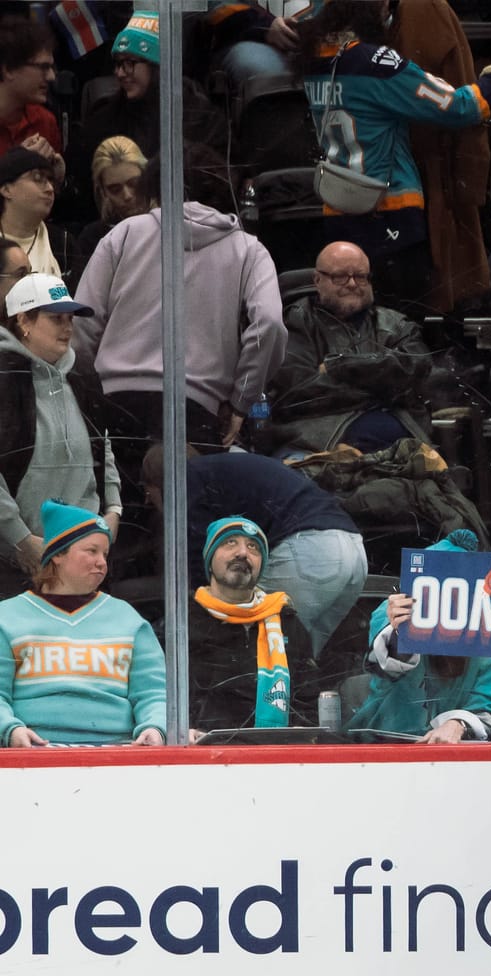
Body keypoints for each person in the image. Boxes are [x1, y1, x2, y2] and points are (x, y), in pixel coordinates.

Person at [293, 1, 491, 310]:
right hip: (391, 212)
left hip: (339, 210)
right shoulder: (376, 62)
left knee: (351, 318)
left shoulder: (315, 55)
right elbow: (458, 107)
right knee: (401, 326)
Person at [71, 146, 284, 450]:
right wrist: (241, 401)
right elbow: (270, 323)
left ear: (155, 186)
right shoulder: (249, 250)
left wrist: (91, 391)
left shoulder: (125, 233)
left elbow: (83, 322)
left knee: (117, 498)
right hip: (196, 407)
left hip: (115, 402)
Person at [147, 446, 368, 654]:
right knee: (298, 657)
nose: (150, 502)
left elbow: (196, 549)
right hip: (353, 549)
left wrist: (199, 604)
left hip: (312, 550)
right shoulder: (227, 470)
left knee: (253, 648)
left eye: (148, 494)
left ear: (158, 485)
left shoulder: (186, 478)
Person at [0, 500, 164, 747]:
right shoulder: (7, 617)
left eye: (105, 554)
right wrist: (9, 730)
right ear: (57, 555)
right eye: (92, 551)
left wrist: (155, 727)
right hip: (32, 755)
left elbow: (154, 693)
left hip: (120, 753)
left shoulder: (127, 618)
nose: (102, 562)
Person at [0, 275, 119, 600]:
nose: (67, 328)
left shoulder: (81, 373)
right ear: (23, 321)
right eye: (55, 318)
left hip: (83, 555)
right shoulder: (4, 377)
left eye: (69, 319)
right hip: (18, 561)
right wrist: (21, 539)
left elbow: (103, 446)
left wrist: (114, 509)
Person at [348, 530, 491, 743]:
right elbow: (385, 666)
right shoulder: (394, 611)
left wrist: (459, 723)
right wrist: (401, 631)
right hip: (383, 747)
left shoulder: (490, 627)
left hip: (460, 757)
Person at [270, 241, 435, 456]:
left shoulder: (395, 324)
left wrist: (338, 366)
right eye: (340, 277)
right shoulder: (296, 322)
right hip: (319, 439)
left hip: (399, 440)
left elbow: (417, 365)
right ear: (317, 280)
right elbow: (298, 391)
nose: (352, 284)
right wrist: (380, 387)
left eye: (360, 276)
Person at [187, 516, 316, 735]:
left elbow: (309, 697)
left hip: (275, 752)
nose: (243, 553)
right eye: (230, 543)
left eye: (253, 547)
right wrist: (182, 729)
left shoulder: (286, 622)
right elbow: (161, 694)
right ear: (209, 558)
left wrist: (300, 733)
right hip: (203, 751)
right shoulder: (182, 622)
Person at [67, 11, 227, 176]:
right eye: (117, 64)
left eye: (129, 63)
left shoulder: (200, 117)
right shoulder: (105, 120)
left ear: (155, 66)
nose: (120, 73)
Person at [70, 137, 148, 275]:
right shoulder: (93, 239)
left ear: (147, 176)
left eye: (134, 183)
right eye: (115, 189)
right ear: (103, 192)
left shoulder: (169, 225)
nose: (127, 195)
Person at [0, 15, 62, 180]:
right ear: (8, 70)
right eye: (43, 67)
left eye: (51, 67)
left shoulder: (45, 121)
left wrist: (58, 180)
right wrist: (15, 166)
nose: (51, 77)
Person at [0, 147, 64, 279]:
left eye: (50, 180)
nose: (50, 189)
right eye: (37, 178)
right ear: (6, 189)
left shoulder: (63, 242)